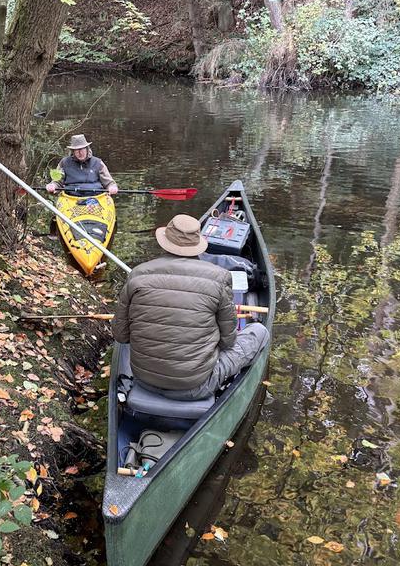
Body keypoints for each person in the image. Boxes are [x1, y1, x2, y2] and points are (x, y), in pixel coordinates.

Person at [111, 214, 269, 400]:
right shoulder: (220, 277)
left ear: (164, 242)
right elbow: (228, 341)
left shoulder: (137, 274)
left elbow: (120, 334)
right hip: (196, 386)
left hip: (143, 379)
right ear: (198, 245)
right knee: (259, 331)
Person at [45, 134, 119, 196]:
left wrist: (112, 187)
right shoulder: (64, 163)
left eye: (82, 149)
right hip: (70, 198)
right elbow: (57, 182)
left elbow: (109, 182)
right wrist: (52, 186)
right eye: (77, 150)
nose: (80, 153)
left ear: (87, 149)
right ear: (73, 151)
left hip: (96, 197)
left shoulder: (98, 163)